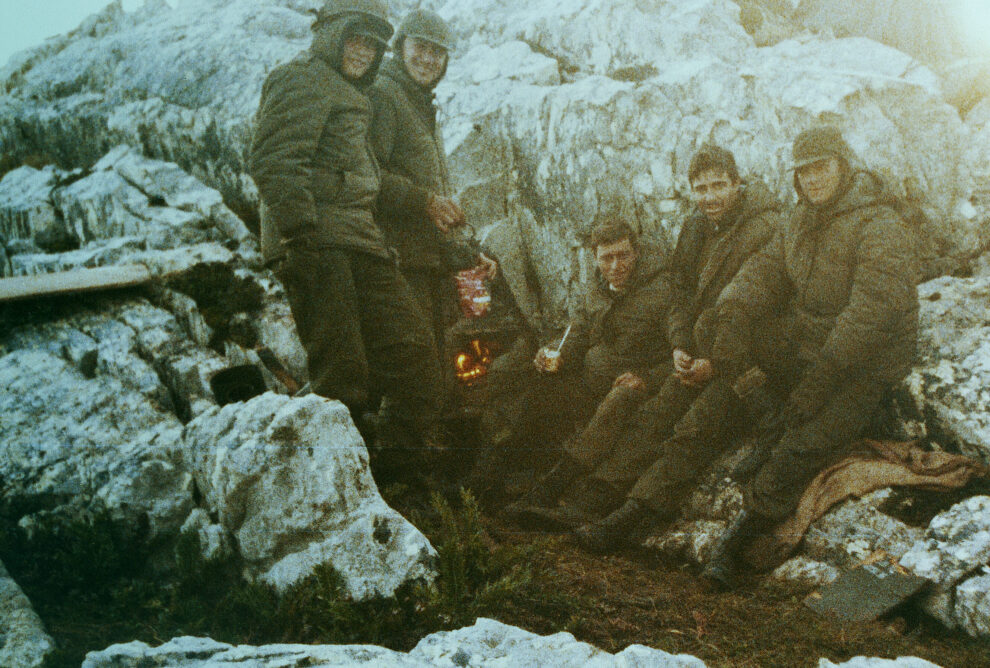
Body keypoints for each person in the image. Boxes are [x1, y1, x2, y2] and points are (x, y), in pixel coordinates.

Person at [511, 146, 781, 544]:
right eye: (700, 188)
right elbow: (682, 297)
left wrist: (715, 362)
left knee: (679, 425)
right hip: (699, 351)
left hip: (743, 361)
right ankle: (583, 498)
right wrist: (680, 345)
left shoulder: (767, 227)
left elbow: (761, 308)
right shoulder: (696, 225)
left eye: (718, 185)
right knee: (651, 412)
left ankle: (604, 508)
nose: (710, 196)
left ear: (737, 184)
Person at [698, 125, 919, 588]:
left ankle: (736, 543)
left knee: (803, 444)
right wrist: (733, 308)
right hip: (809, 347)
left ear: (843, 165)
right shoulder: (800, 219)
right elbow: (765, 271)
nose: (812, 179)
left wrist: (815, 386)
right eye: (803, 172)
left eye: (821, 167)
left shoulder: (880, 225)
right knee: (717, 326)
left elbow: (870, 316)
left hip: (862, 365)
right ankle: (768, 416)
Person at [249, 0, 444, 463]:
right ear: (331, 33)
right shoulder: (300, 77)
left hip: (360, 242)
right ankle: (350, 488)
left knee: (415, 354)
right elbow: (273, 160)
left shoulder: (353, 92)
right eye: (355, 37)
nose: (364, 50)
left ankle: (396, 473)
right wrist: (299, 237)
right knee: (343, 375)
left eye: (374, 43)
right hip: (317, 243)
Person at [469, 220, 672, 502]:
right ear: (594, 258)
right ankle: (486, 481)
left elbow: (682, 351)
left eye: (623, 256)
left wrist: (648, 379)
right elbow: (577, 331)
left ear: (636, 253)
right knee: (527, 390)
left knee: (612, 405)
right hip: (588, 383)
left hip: (628, 389)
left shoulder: (663, 290)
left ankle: (551, 490)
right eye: (606, 258)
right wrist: (557, 353)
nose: (615, 266)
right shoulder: (597, 286)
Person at [368, 9, 497, 358]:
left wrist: (468, 253)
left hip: (423, 259)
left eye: (437, 52)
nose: (428, 59)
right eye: (420, 47)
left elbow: (433, 200)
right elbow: (366, 175)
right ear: (399, 46)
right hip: (395, 260)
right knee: (414, 368)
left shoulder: (420, 100)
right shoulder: (384, 93)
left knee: (440, 363)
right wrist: (423, 201)